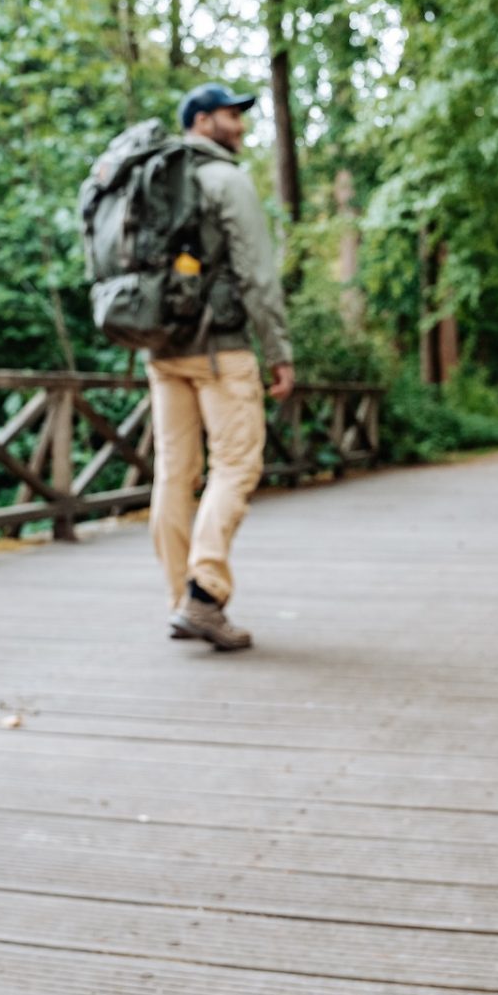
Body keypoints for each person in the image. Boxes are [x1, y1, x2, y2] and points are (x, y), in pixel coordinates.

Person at [149, 82, 295, 651]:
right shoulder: (225, 179)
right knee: (236, 465)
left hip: (162, 350)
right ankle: (204, 593)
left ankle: (179, 599)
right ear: (202, 121)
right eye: (231, 114)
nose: (239, 123)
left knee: (174, 475)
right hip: (220, 348)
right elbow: (258, 274)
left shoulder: (157, 180)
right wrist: (279, 352)